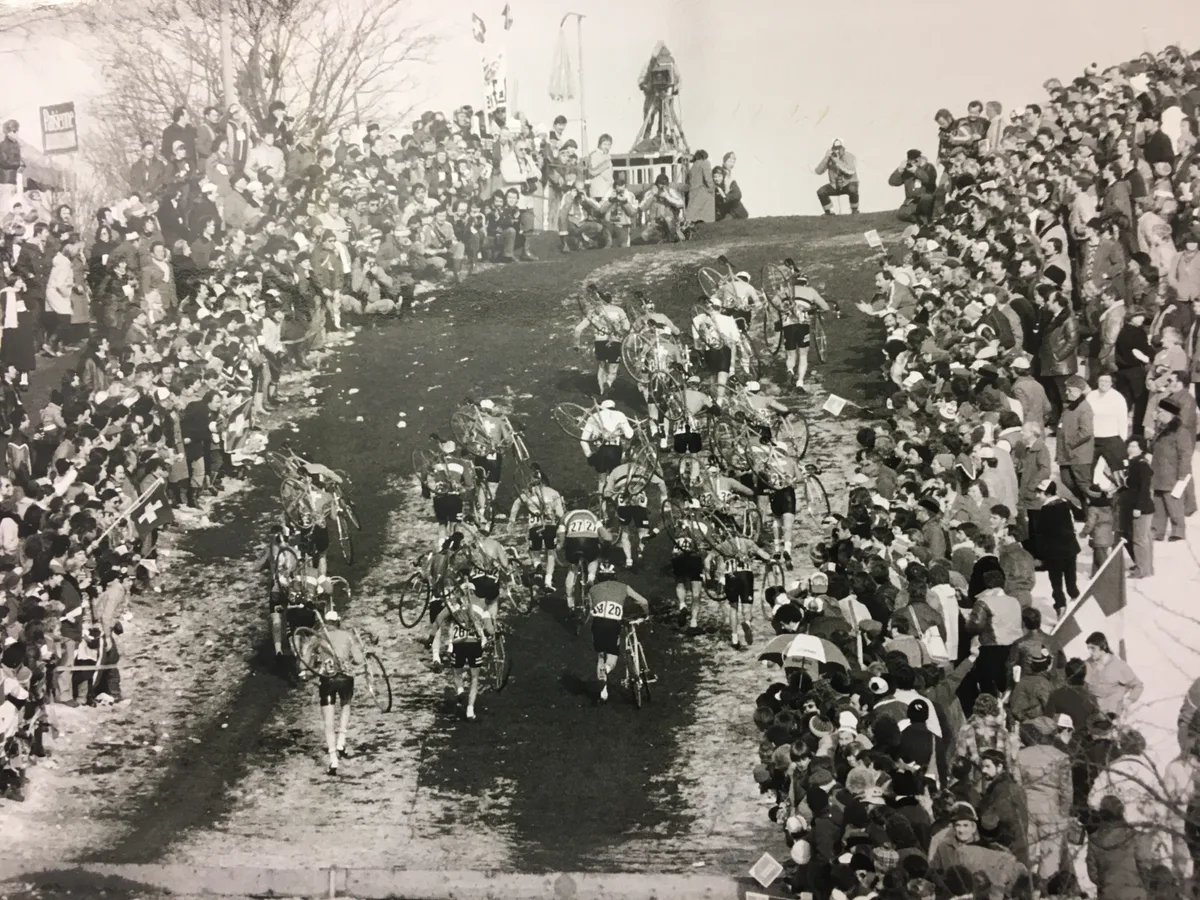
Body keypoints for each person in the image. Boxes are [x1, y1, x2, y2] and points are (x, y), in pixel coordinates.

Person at [305, 609, 365, 775]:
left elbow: (306, 655)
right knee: (346, 705)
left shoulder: (318, 636)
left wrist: (305, 670)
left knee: (328, 723)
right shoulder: (347, 635)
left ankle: (333, 759)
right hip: (345, 679)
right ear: (338, 622)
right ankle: (342, 741)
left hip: (328, 680)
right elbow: (359, 659)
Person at [586, 569, 652, 703]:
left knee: (600, 656)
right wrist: (646, 614)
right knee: (612, 657)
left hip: (598, 623)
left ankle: (603, 692)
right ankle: (608, 668)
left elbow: (591, 610)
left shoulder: (592, 589)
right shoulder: (623, 587)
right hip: (613, 624)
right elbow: (643, 601)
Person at [431, 581, 489, 721]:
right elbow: (490, 629)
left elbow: (438, 619)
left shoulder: (454, 605)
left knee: (457, 672)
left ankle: (460, 690)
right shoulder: (482, 605)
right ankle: (470, 710)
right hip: (474, 644)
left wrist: (431, 637)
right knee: (474, 678)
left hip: (458, 644)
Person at [507, 463, 565, 592]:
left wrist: (512, 519)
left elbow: (516, 503)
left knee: (534, 551)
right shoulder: (554, 493)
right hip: (550, 527)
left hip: (535, 527)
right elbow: (561, 514)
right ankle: (548, 581)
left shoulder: (528, 494)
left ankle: (538, 567)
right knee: (551, 553)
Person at [555, 505, 614, 609]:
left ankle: (570, 600)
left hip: (573, 543)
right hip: (590, 542)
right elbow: (605, 534)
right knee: (594, 559)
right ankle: (591, 579)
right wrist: (607, 541)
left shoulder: (566, 516)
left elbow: (561, 536)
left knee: (573, 568)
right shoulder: (592, 515)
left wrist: (562, 546)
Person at [1084, 632, 1143, 719]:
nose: (1090, 652)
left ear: (1103, 647)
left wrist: (1129, 700)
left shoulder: (1118, 665)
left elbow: (1138, 685)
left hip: (1111, 717)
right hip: (1092, 716)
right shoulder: (1086, 665)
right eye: (1088, 648)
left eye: (1093, 648)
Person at [888, 149, 936, 224]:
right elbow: (892, 182)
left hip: (925, 200)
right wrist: (899, 170)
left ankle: (925, 224)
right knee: (901, 214)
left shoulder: (929, 167)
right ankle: (920, 223)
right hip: (912, 201)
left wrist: (916, 171)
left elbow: (928, 180)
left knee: (926, 199)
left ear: (919, 159)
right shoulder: (907, 170)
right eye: (911, 161)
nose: (914, 164)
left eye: (915, 161)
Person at [815, 139, 859, 215]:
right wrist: (826, 158)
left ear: (843, 149)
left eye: (839, 148)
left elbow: (850, 171)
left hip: (849, 183)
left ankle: (854, 210)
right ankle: (828, 212)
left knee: (852, 189)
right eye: (835, 149)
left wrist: (837, 161)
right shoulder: (830, 158)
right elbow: (818, 171)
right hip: (835, 185)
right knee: (821, 192)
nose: (837, 151)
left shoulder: (850, 156)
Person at [685, 149, 715, 224]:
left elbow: (688, 180)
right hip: (701, 191)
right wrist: (712, 189)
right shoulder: (705, 163)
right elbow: (708, 178)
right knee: (707, 217)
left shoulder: (694, 166)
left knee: (691, 216)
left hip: (692, 192)